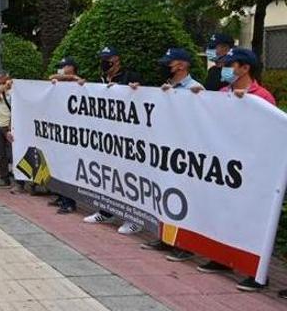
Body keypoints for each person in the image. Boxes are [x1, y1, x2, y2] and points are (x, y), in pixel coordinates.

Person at [195, 48, 276, 292]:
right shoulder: (221, 93)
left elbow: (269, 134)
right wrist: (196, 98)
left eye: (231, 65)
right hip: (224, 169)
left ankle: (258, 273)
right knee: (223, 211)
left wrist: (248, 105)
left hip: (251, 170)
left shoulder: (262, 97)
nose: (225, 69)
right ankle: (222, 259)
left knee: (253, 220)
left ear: (245, 68)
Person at [138, 48, 205, 259]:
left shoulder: (196, 89)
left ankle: (185, 245)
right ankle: (167, 238)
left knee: (186, 198)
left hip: (187, 152)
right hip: (168, 151)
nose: (167, 66)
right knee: (167, 192)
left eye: (171, 62)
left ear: (182, 65)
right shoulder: (169, 88)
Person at [83, 46, 144, 234]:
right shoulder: (100, 79)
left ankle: (134, 219)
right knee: (107, 174)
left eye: (107, 58)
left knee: (128, 177)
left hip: (127, 137)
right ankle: (106, 211)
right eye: (102, 58)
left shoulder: (131, 76)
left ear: (117, 59)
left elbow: (142, 101)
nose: (104, 61)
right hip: (106, 137)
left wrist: (136, 90)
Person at [48, 57, 81, 213]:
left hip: (73, 133)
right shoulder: (61, 82)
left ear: (72, 67)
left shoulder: (79, 83)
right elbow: (50, 78)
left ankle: (70, 202)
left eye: (64, 66)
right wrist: (69, 77)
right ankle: (61, 196)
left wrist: (74, 78)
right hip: (60, 132)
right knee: (59, 164)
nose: (60, 70)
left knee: (69, 167)